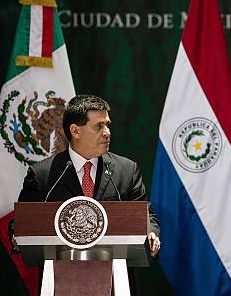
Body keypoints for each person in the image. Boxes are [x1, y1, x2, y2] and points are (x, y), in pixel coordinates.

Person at [10, 94, 160, 257]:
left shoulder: (127, 170)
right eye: (99, 126)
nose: (107, 132)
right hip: (59, 274)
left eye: (107, 125)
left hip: (115, 274)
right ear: (75, 131)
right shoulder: (42, 175)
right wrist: (16, 236)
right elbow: (21, 222)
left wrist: (151, 233)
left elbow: (146, 215)